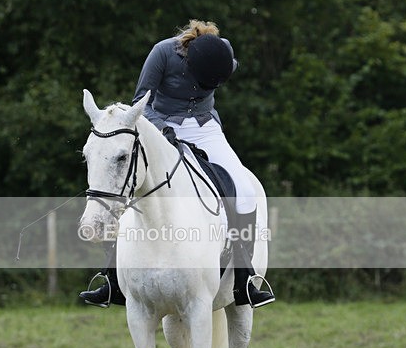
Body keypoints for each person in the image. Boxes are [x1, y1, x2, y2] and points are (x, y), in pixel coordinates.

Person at [80, 19, 275, 308]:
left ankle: (244, 278)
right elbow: (139, 102)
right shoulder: (162, 53)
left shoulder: (222, 53)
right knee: (125, 189)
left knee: (243, 191)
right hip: (161, 126)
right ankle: (112, 278)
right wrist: (162, 130)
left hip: (205, 127)